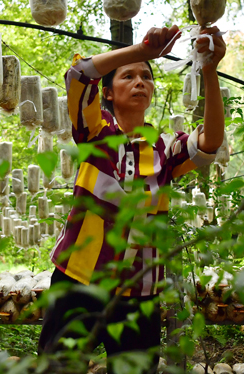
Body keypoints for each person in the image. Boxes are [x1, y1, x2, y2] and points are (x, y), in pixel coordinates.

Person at [38, 24, 227, 373]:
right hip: (79, 281)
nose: (140, 81)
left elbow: (210, 142)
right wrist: (143, 51)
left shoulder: (164, 150)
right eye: (128, 76)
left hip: (141, 292)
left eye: (146, 76)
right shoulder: (95, 134)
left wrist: (210, 69)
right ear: (108, 93)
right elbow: (79, 75)